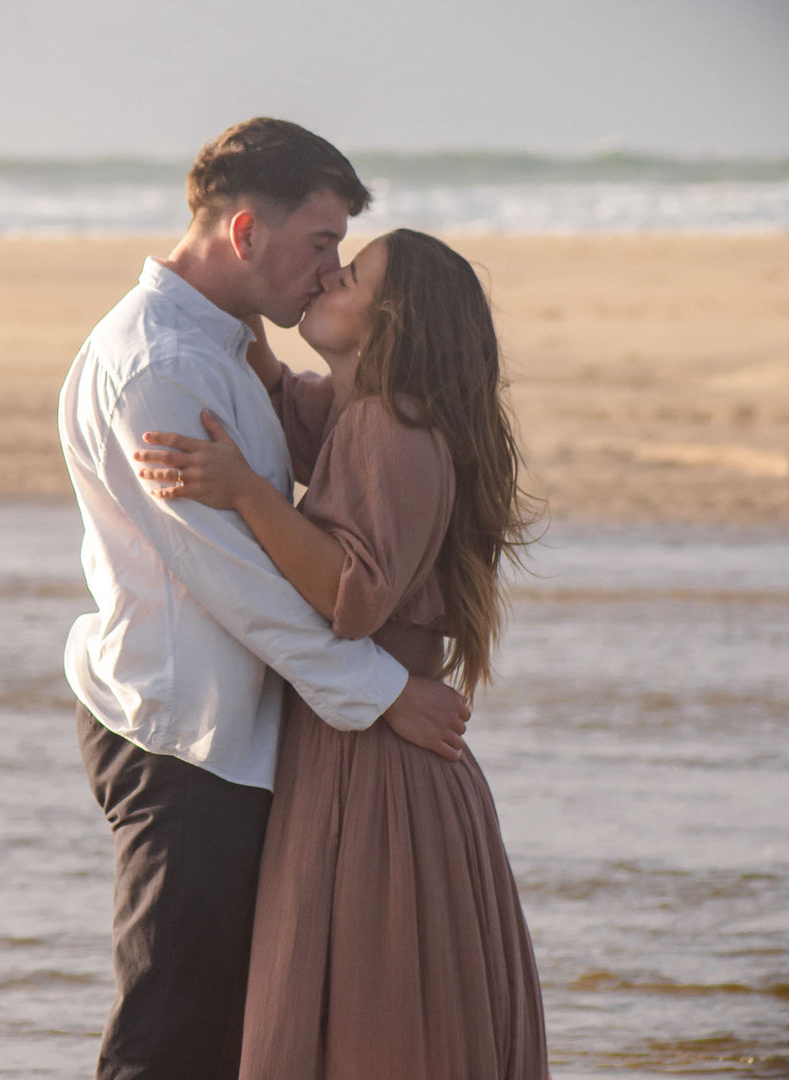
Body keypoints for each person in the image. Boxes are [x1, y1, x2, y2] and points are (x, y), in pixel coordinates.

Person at [58, 120, 470, 1080]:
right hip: (187, 735)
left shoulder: (222, 349)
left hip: (233, 729)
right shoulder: (166, 367)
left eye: (340, 256)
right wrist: (384, 691)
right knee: (171, 1038)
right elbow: (240, 585)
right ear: (246, 236)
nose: (329, 273)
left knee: (225, 1029)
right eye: (322, 245)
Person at [134, 229, 550, 1077]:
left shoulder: (390, 429)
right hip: (370, 739)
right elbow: (285, 403)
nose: (329, 273)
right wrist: (235, 287)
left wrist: (247, 493)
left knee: (365, 1011)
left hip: (374, 763)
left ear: (389, 318)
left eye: (350, 273)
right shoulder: (356, 413)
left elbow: (353, 597)